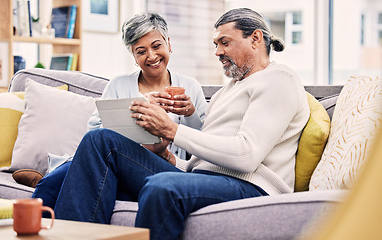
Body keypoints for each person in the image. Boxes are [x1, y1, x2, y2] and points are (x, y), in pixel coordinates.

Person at [52, 8, 310, 240]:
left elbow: (246, 155)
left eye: (225, 42)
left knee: (161, 186)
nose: (218, 52)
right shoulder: (225, 92)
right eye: (216, 44)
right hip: (203, 177)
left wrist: (171, 129)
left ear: (255, 39)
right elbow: (205, 161)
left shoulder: (278, 79)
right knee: (100, 140)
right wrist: (171, 158)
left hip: (252, 187)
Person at [31, 12, 207, 210]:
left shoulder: (190, 87)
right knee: (51, 183)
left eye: (157, 46)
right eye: (141, 51)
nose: (151, 56)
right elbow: (95, 133)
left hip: (163, 168)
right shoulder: (119, 84)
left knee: (80, 178)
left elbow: (205, 141)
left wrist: (190, 113)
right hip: (115, 162)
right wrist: (141, 106)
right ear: (134, 56)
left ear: (168, 43)